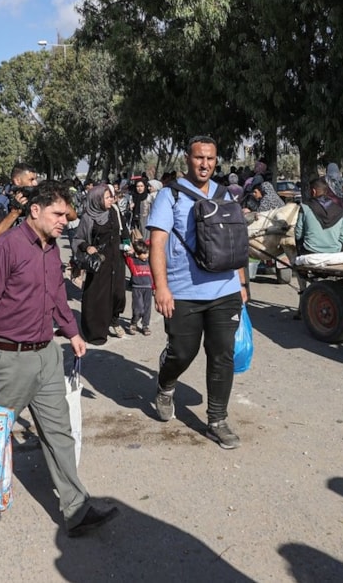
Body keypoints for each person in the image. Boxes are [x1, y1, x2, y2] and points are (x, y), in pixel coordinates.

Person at [0, 181, 118, 537]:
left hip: (47, 355)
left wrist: (72, 332)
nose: (65, 220)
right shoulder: (5, 249)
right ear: (36, 211)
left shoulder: (51, 250)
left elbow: (57, 299)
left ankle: (76, 510)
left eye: (67, 215)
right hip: (7, 359)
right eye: (58, 214)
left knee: (59, 433)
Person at [147, 135, 249, 450]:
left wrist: (242, 283)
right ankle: (166, 384)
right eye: (198, 158)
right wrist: (160, 287)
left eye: (210, 158)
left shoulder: (226, 195)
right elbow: (157, 244)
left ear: (215, 161)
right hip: (183, 293)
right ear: (187, 160)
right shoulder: (170, 196)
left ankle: (217, 419)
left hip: (224, 289)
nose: (204, 164)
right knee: (183, 351)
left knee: (222, 355)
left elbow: (236, 242)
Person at [73, 185, 128, 342]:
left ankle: (113, 318)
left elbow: (123, 230)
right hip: (98, 263)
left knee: (118, 294)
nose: (111, 199)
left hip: (116, 260)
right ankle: (95, 332)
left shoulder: (114, 211)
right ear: (97, 199)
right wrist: (87, 247)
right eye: (107, 197)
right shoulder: (88, 217)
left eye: (111, 196)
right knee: (97, 297)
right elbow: (78, 239)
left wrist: (127, 244)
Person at [0, 163, 39, 245]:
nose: (35, 183)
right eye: (31, 179)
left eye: (35, 179)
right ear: (17, 181)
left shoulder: (38, 200)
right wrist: (14, 213)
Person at [295, 177, 343, 256]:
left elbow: (298, 235)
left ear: (313, 191)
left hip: (310, 251)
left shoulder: (305, 207)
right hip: (335, 251)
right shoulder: (340, 210)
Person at [125, 239, 154, 336]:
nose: (146, 255)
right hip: (137, 288)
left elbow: (151, 242)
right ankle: (134, 322)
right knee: (138, 308)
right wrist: (129, 249)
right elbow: (125, 255)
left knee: (147, 308)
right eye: (144, 253)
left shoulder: (149, 261)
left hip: (148, 288)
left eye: (147, 253)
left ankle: (145, 325)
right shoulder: (132, 261)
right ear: (137, 254)